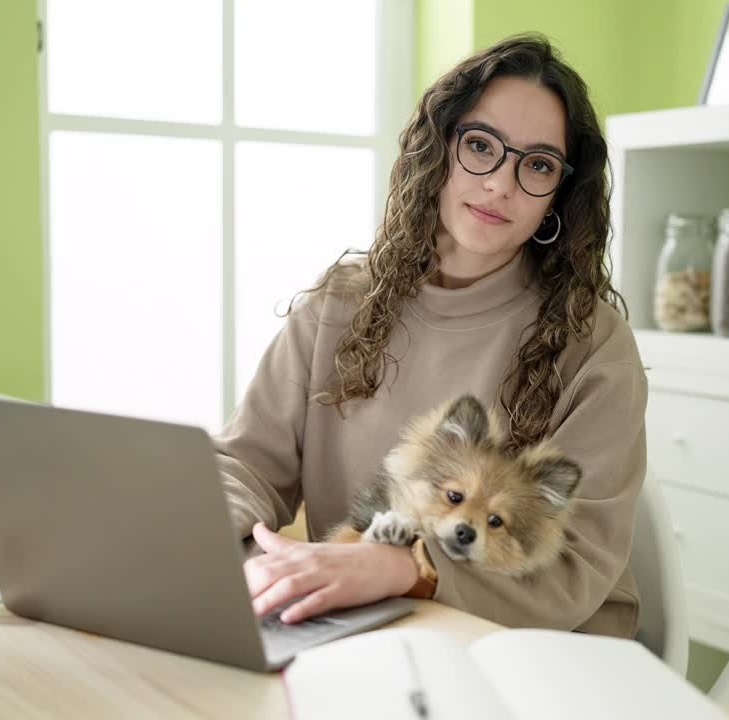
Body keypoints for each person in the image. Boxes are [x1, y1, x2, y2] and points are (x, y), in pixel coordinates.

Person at [216, 32, 647, 638]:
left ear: (558, 196)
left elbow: (575, 572)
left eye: (539, 164)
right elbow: (243, 466)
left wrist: (406, 566)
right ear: (437, 150)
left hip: (545, 657)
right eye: (480, 145)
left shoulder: (594, 343)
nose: (500, 183)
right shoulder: (338, 305)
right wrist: (227, 546)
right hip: (364, 634)